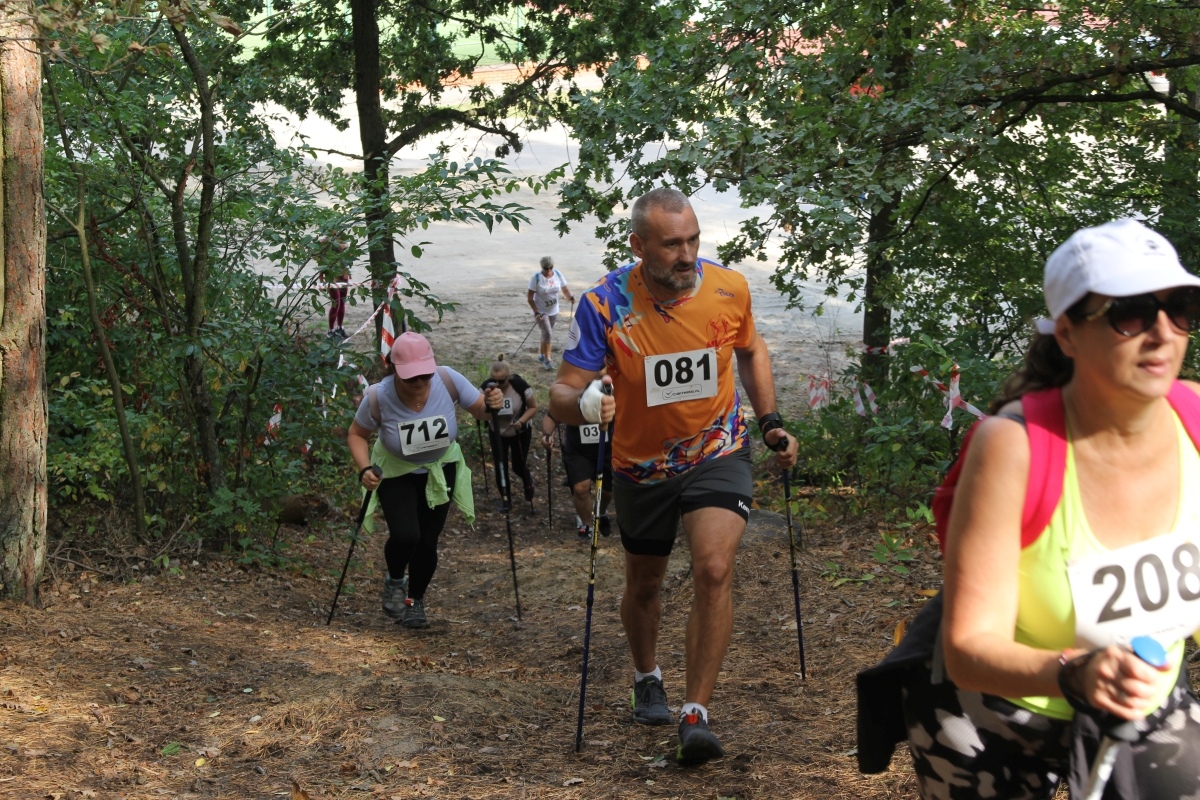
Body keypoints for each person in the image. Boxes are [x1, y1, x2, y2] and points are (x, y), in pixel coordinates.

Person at [901, 218, 1200, 798]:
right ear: (1067, 334)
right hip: (990, 713)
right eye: (1130, 313)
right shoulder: (1012, 446)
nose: (1162, 332)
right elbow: (968, 651)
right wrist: (1076, 672)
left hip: (1143, 699)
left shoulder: (1196, 422)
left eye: (1179, 306)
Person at [549, 187, 798, 764]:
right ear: (639, 246)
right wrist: (586, 404)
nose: (687, 257)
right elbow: (559, 393)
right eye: (671, 245)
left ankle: (696, 714)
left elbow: (751, 349)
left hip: (719, 450)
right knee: (645, 585)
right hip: (641, 467)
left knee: (714, 566)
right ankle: (646, 675)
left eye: (693, 241)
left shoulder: (729, 287)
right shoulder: (604, 304)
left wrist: (771, 423)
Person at [347, 332, 502, 628]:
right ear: (395, 370)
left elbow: (481, 410)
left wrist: (493, 402)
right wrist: (365, 468)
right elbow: (356, 434)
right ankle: (395, 579)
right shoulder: (379, 396)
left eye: (425, 375)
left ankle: (414, 601)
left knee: (427, 542)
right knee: (407, 536)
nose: (419, 382)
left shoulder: (447, 379)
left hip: (441, 469)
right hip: (395, 471)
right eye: (411, 378)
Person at [541, 409, 612, 539]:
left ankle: (601, 512)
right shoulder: (572, 391)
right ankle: (587, 524)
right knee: (580, 488)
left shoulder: (612, 391)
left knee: (607, 491)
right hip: (578, 450)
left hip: (608, 449)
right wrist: (547, 434)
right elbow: (552, 416)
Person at [482, 355, 538, 509]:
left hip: (519, 432)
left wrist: (521, 421)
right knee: (501, 466)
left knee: (518, 466)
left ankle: (528, 482)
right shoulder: (486, 388)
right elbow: (479, 408)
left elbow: (534, 407)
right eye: (494, 381)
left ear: (509, 376)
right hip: (497, 432)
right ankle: (506, 500)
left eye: (502, 381)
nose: (498, 385)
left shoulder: (520, 386)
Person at [527, 256, 575, 369]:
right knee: (548, 333)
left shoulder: (558, 274)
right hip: (541, 311)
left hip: (554, 310)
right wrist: (536, 312)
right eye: (546, 268)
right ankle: (547, 359)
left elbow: (565, 290)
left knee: (546, 333)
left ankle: (541, 354)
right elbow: (530, 298)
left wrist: (570, 297)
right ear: (541, 267)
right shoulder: (536, 278)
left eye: (550, 268)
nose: (548, 270)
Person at [316, 235, 353, 339]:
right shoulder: (324, 242)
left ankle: (340, 328)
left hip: (343, 275)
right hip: (331, 277)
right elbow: (321, 261)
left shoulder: (343, 238)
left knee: (342, 302)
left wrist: (348, 271)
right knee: (335, 303)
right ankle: (330, 330)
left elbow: (348, 256)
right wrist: (322, 279)